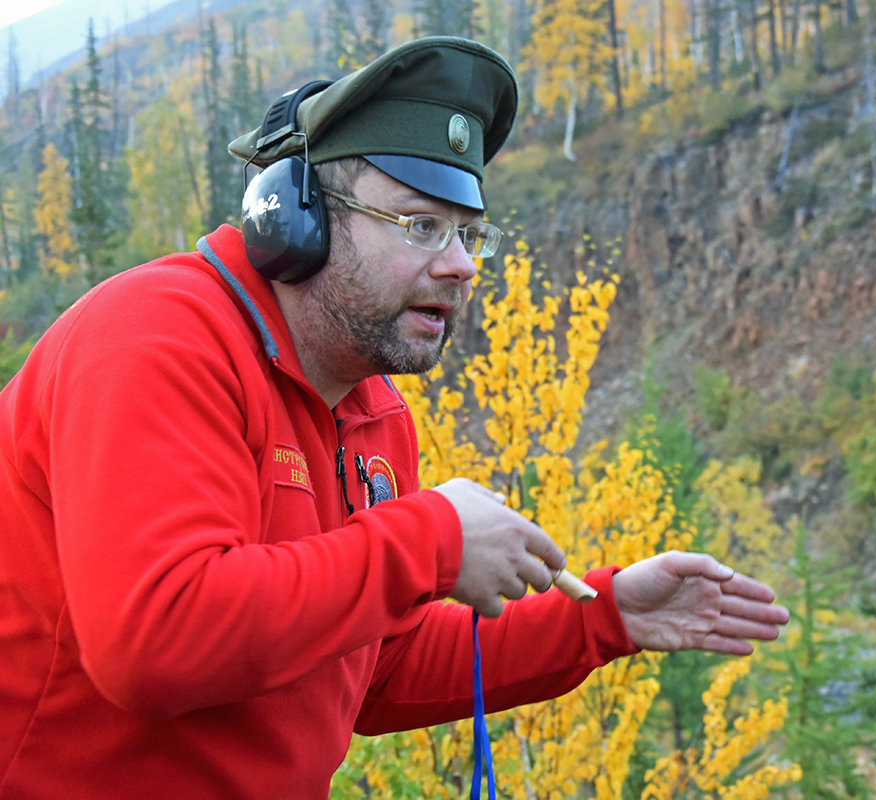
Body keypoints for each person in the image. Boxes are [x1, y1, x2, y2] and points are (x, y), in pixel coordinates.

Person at [0, 36, 787, 798]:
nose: (462, 264)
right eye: (421, 225)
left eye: (470, 233)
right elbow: (156, 640)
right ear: (293, 220)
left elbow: (376, 668)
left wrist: (604, 619)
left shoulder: (375, 415)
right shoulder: (156, 337)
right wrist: (433, 540)